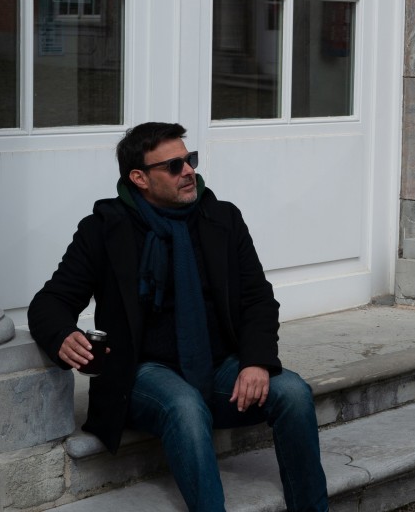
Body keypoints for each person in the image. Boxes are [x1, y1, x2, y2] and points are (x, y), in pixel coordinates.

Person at [28, 122, 329, 511]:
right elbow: (50, 302)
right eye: (173, 166)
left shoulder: (221, 218)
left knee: (293, 392)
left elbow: (257, 299)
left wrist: (255, 362)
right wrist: (63, 334)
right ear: (140, 178)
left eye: (190, 160)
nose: (188, 171)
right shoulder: (106, 229)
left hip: (218, 366)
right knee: (185, 407)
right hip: (142, 373)